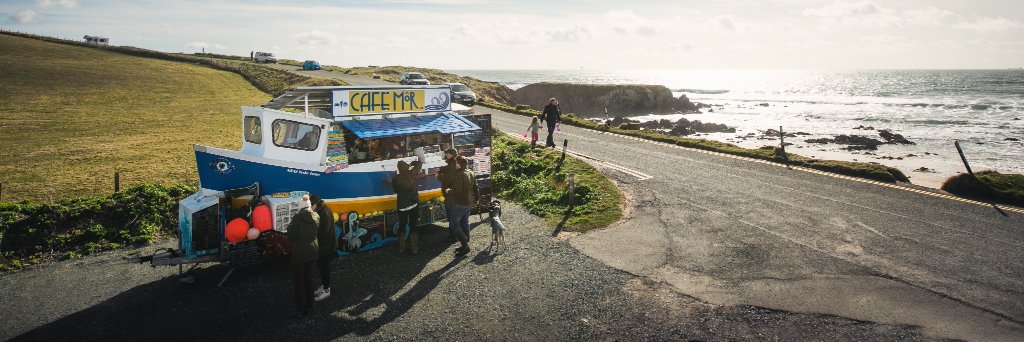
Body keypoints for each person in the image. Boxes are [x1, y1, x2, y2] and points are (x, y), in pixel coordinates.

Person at [287, 195, 319, 318]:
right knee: (309, 279)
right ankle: (310, 305)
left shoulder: (297, 218)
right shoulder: (316, 216)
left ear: (300, 207)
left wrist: (290, 226)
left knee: (299, 281)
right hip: (313, 250)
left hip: (300, 252)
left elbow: (291, 236)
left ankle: (299, 307)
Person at [445, 156, 478, 256]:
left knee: (454, 224)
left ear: (459, 164)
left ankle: (465, 246)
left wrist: (448, 191)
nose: (455, 164)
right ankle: (465, 242)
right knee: (465, 221)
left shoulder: (460, 174)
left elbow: (457, 190)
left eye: (456, 163)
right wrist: (477, 198)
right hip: (469, 202)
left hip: (461, 203)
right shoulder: (471, 172)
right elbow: (476, 187)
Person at [391, 160, 423, 254]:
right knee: (413, 225)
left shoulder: (395, 179)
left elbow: (395, 191)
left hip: (402, 206)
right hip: (413, 204)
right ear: (406, 167)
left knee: (402, 225)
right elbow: (419, 163)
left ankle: (401, 248)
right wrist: (411, 164)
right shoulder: (412, 173)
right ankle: (414, 249)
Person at [310, 195, 336, 302]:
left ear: (315, 204)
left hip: (326, 246)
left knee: (324, 267)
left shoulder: (324, 213)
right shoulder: (321, 209)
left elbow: (324, 231)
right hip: (324, 245)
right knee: (322, 267)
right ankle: (325, 285)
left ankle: (326, 290)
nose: (310, 209)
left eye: (311, 206)